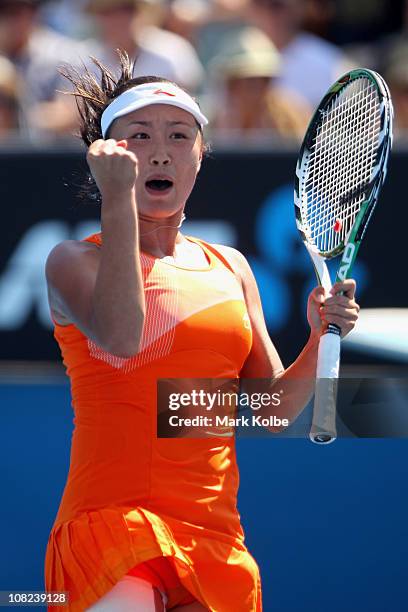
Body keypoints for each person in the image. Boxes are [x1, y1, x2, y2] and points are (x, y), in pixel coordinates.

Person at [44, 51, 360, 611]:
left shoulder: (232, 268)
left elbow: (270, 414)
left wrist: (318, 338)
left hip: (214, 538)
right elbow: (122, 337)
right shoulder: (71, 260)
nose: (160, 150)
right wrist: (117, 198)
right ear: (107, 156)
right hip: (115, 526)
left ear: (199, 157)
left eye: (179, 135)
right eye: (138, 136)